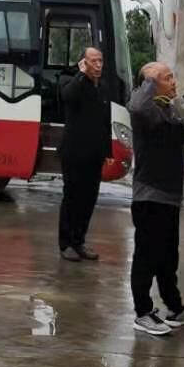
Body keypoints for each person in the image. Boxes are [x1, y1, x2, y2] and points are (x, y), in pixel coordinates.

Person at [127, 62, 184, 337]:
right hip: (150, 196)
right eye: (166, 77)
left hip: (170, 197)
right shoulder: (144, 109)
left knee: (168, 257)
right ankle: (143, 313)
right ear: (149, 83)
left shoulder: (167, 108)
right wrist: (149, 80)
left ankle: (174, 307)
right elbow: (138, 107)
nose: (173, 82)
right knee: (147, 257)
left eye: (173, 76)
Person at [57, 46, 112, 263]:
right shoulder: (70, 80)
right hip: (73, 153)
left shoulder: (103, 86)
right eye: (93, 61)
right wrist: (80, 75)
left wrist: (107, 151)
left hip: (94, 155)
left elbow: (105, 121)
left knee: (88, 200)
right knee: (72, 198)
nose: (98, 65)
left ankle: (79, 241)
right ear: (83, 62)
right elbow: (68, 97)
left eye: (100, 61)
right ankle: (66, 244)